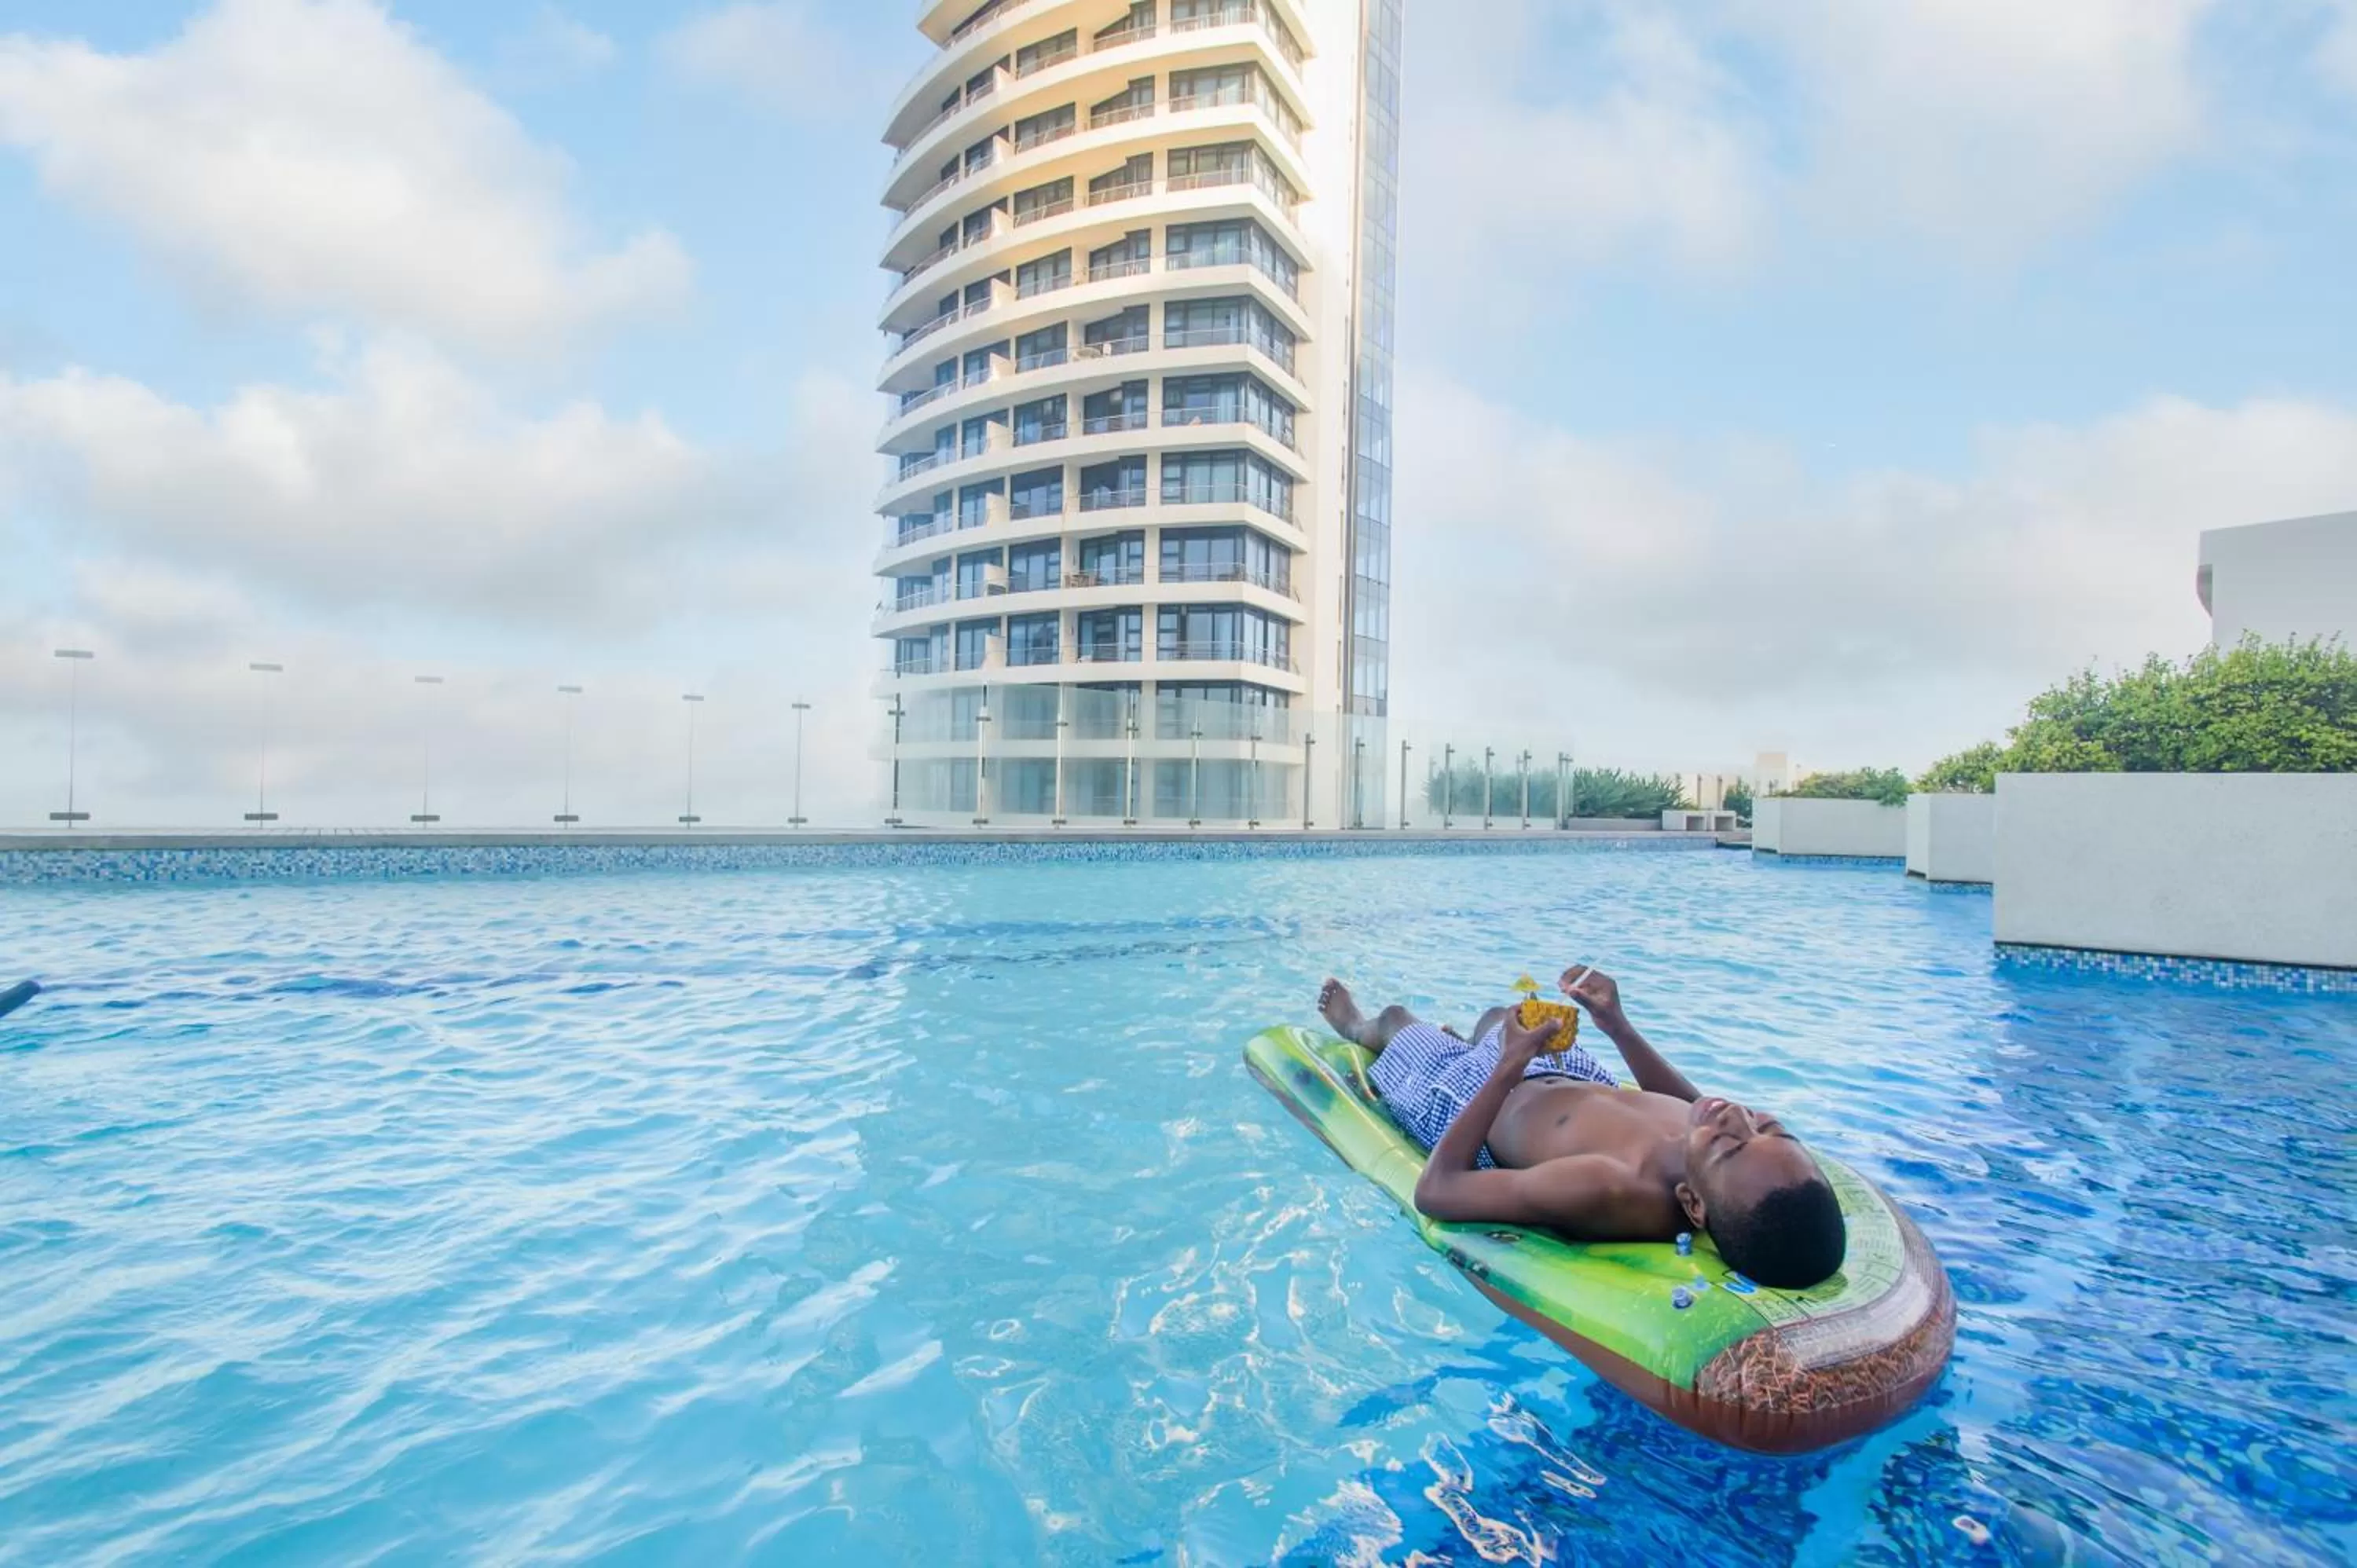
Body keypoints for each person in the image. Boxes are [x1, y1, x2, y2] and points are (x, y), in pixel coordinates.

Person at [1318, 966, 1846, 1291]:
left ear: (1694, 1206)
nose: (1733, 1118)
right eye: (1768, 1127)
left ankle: (1357, 1026)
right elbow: (1686, 1103)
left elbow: (1438, 1191)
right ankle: (1481, 1038)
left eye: (1732, 1146)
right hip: (1575, 1079)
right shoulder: (1708, 1139)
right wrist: (1617, 1026)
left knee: (1394, 1020)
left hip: (1475, 1101)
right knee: (1498, 1015)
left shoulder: (1611, 1185)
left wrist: (1506, 1068)